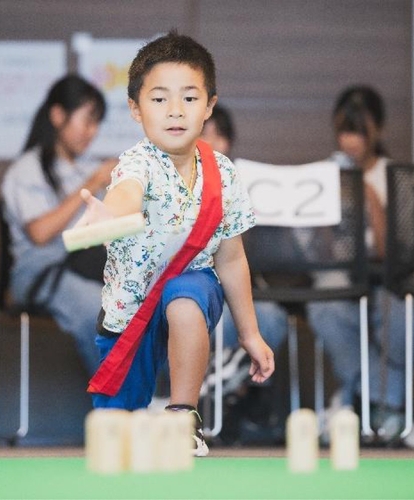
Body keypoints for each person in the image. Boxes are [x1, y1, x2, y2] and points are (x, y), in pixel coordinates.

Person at [75, 31, 275, 457]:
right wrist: (109, 215)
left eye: (189, 97)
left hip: (191, 287)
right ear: (135, 108)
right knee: (116, 439)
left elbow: (231, 259)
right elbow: (126, 194)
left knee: (185, 295)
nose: (175, 110)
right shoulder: (136, 163)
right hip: (129, 310)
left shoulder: (224, 173)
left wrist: (250, 334)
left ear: (209, 106)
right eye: (159, 98)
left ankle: (182, 418)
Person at [306, 85, 414, 444]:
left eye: (359, 130)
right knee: (325, 309)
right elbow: (319, 253)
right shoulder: (325, 175)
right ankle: (384, 402)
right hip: (341, 278)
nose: (351, 140)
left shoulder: (394, 175)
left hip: (387, 278)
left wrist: (366, 195)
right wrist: (328, 202)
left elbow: (392, 252)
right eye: (344, 131)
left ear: (377, 130)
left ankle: (359, 399)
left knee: (400, 319)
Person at [1, 74, 116, 377]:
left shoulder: (87, 166)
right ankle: (122, 398)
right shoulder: (27, 169)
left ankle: (158, 391)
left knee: (149, 296)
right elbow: (40, 234)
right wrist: (93, 182)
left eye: (97, 123)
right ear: (57, 115)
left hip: (89, 263)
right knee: (101, 310)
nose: (92, 132)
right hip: (42, 270)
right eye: (87, 121)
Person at [200, 104, 288, 444]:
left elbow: (242, 256)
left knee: (272, 319)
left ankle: (221, 392)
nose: (213, 143)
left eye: (220, 136)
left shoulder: (242, 186)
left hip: (237, 295)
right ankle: (226, 394)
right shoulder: (173, 181)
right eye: (206, 134)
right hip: (197, 294)